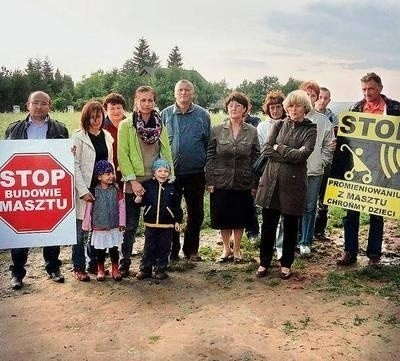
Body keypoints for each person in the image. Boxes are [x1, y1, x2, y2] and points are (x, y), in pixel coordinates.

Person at [5, 91, 68, 289]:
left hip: (50, 186)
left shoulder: (60, 129)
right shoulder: (14, 129)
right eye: (35, 103)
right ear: (27, 105)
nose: (39, 106)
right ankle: (17, 272)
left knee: (52, 228)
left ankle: (53, 268)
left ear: (50, 106)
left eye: (43, 103)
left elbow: (64, 157)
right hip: (24, 189)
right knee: (21, 231)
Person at [336, 72, 400, 267]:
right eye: (363, 89)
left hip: (383, 167)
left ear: (380, 88)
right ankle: (349, 251)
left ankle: (374, 255)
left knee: (376, 211)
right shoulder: (355, 108)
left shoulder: (395, 109)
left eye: (370, 89)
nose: (367, 93)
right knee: (351, 211)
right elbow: (345, 138)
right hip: (358, 166)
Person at [255, 90, 317, 279]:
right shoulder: (279, 124)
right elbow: (266, 149)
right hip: (271, 181)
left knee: (290, 226)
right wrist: (287, 154)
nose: (293, 109)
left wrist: (280, 147)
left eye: (297, 105)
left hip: (294, 184)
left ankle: (286, 265)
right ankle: (264, 263)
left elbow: (301, 156)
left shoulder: (310, 129)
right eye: (290, 105)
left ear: (305, 108)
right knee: (268, 224)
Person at [118, 86, 174, 276]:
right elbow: (122, 155)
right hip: (133, 182)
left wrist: (169, 177)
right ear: (136, 101)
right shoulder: (126, 125)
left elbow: (166, 151)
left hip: (156, 182)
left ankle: (157, 265)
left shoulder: (160, 125)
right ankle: (124, 263)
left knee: (157, 225)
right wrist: (132, 181)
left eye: (150, 100)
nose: (146, 104)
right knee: (131, 226)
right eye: (142, 100)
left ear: (154, 102)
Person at [206, 91, 260, 263]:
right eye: (231, 105)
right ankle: (225, 249)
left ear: (244, 109)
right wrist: (210, 180)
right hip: (221, 180)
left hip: (243, 181)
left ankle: (237, 249)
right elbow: (210, 156)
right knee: (223, 216)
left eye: (238, 105)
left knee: (239, 216)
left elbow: (255, 158)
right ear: (226, 108)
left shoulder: (252, 131)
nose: (234, 108)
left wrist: (254, 183)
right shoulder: (217, 130)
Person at [161, 79, 211, 261]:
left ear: (192, 93)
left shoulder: (202, 115)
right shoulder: (165, 114)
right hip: (171, 173)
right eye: (180, 90)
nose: (183, 93)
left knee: (196, 213)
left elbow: (208, 145)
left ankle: (191, 250)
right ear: (175, 93)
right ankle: (172, 251)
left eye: (187, 90)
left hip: (196, 173)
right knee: (172, 212)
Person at [72, 100, 114, 281]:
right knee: (80, 231)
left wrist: (111, 183)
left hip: (101, 190)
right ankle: (78, 267)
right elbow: (75, 166)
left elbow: (110, 162)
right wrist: (82, 190)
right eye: (92, 117)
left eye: (99, 117)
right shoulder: (78, 137)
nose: (96, 120)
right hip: (84, 190)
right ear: (86, 118)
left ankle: (92, 263)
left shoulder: (107, 136)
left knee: (95, 229)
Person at [86, 93, 127, 274]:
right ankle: (93, 263)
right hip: (97, 180)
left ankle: (116, 264)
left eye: (119, 107)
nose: (116, 111)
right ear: (106, 110)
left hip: (117, 178)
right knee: (96, 225)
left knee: (116, 217)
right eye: (112, 108)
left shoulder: (130, 124)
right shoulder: (100, 130)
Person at [297, 81, 335, 255]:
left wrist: (322, 161)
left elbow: (329, 145)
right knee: (292, 206)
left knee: (310, 207)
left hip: (314, 170)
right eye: (306, 93)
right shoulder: (291, 117)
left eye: (313, 95)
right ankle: (293, 238)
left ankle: (306, 241)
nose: (309, 98)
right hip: (293, 171)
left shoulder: (323, 121)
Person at [134, 159, 183, 280]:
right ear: (154, 172)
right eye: (160, 171)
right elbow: (140, 203)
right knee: (149, 247)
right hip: (150, 223)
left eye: (166, 171)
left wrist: (177, 220)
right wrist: (138, 198)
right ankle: (145, 269)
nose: (163, 174)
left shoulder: (172, 187)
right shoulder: (147, 185)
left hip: (167, 225)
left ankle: (161, 269)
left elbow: (177, 206)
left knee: (164, 247)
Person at [82, 160, 125, 281]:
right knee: (100, 250)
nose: (111, 176)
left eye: (112, 173)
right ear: (99, 176)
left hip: (114, 226)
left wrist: (122, 222)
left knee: (113, 249)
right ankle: (100, 269)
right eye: (108, 173)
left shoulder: (116, 190)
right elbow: (88, 209)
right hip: (99, 226)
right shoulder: (94, 191)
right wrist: (86, 224)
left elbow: (122, 206)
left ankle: (115, 269)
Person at [257, 90, 286, 260]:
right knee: (268, 211)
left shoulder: (289, 124)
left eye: (278, 107)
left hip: (286, 172)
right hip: (267, 171)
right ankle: (267, 247)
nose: (275, 111)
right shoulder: (262, 126)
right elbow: (264, 150)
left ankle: (281, 245)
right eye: (272, 107)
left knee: (284, 210)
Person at [314, 87, 339, 240]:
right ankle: (303, 231)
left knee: (324, 196)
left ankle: (319, 230)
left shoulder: (332, 117)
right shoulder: (308, 114)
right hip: (310, 159)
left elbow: (336, 137)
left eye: (326, 98)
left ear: (329, 100)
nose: (322, 101)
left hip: (326, 160)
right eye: (320, 97)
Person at [243, 100, 262, 239]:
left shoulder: (256, 122)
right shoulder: (226, 122)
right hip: (233, 167)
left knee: (250, 201)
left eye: (246, 105)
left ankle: (252, 231)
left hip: (250, 165)